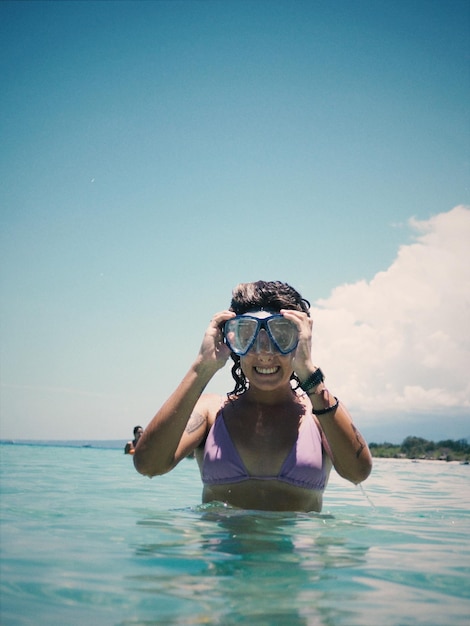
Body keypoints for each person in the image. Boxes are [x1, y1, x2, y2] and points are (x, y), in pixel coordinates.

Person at [134, 281, 372, 512]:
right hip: (220, 554)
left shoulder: (320, 413)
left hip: (299, 554)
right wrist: (202, 367)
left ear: (299, 341)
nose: (265, 354)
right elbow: (148, 466)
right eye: (248, 337)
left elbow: (357, 473)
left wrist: (309, 372)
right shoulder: (211, 412)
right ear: (232, 342)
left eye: (281, 337)